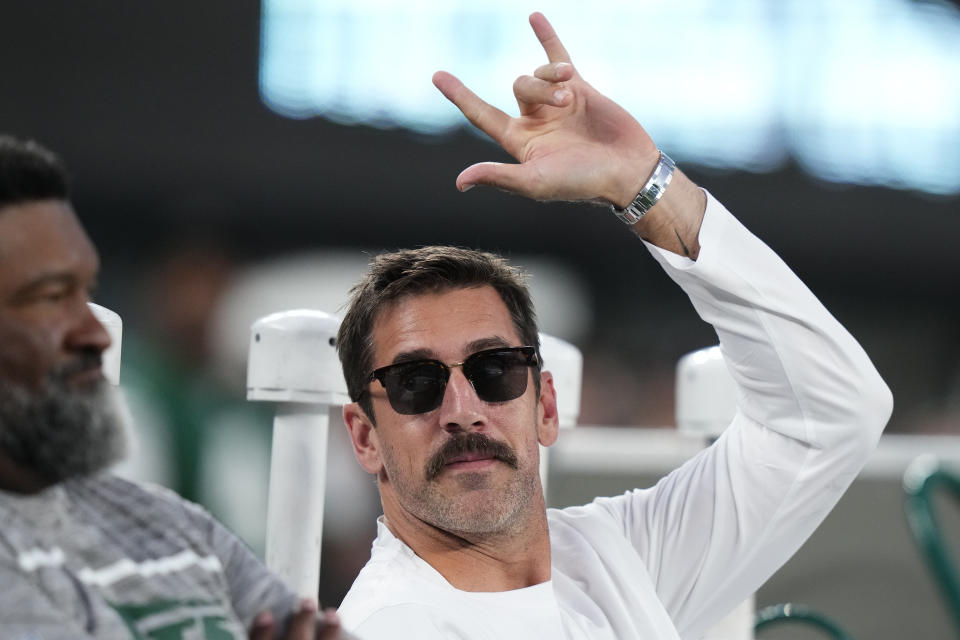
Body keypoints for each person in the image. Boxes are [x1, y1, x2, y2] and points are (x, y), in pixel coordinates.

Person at [334, 12, 893, 640]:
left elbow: (831, 415)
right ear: (365, 436)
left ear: (544, 404)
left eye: (495, 370)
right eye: (417, 382)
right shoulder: (391, 626)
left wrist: (643, 185)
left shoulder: (614, 561)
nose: (462, 409)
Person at [0, 135, 346, 639]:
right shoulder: (114, 387)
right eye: (188, 277)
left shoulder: (259, 399)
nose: (200, 298)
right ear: (155, 285)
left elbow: (335, 533)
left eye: (215, 278)